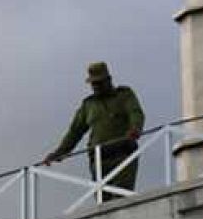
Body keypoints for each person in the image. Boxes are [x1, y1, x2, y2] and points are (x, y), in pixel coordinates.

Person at [42, 62, 145, 200]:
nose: (96, 87)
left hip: (123, 155)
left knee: (121, 198)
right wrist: (59, 153)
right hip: (99, 159)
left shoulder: (124, 95)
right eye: (93, 83)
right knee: (103, 203)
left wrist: (135, 129)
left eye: (99, 83)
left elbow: (136, 113)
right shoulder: (88, 105)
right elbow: (74, 132)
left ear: (108, 80)